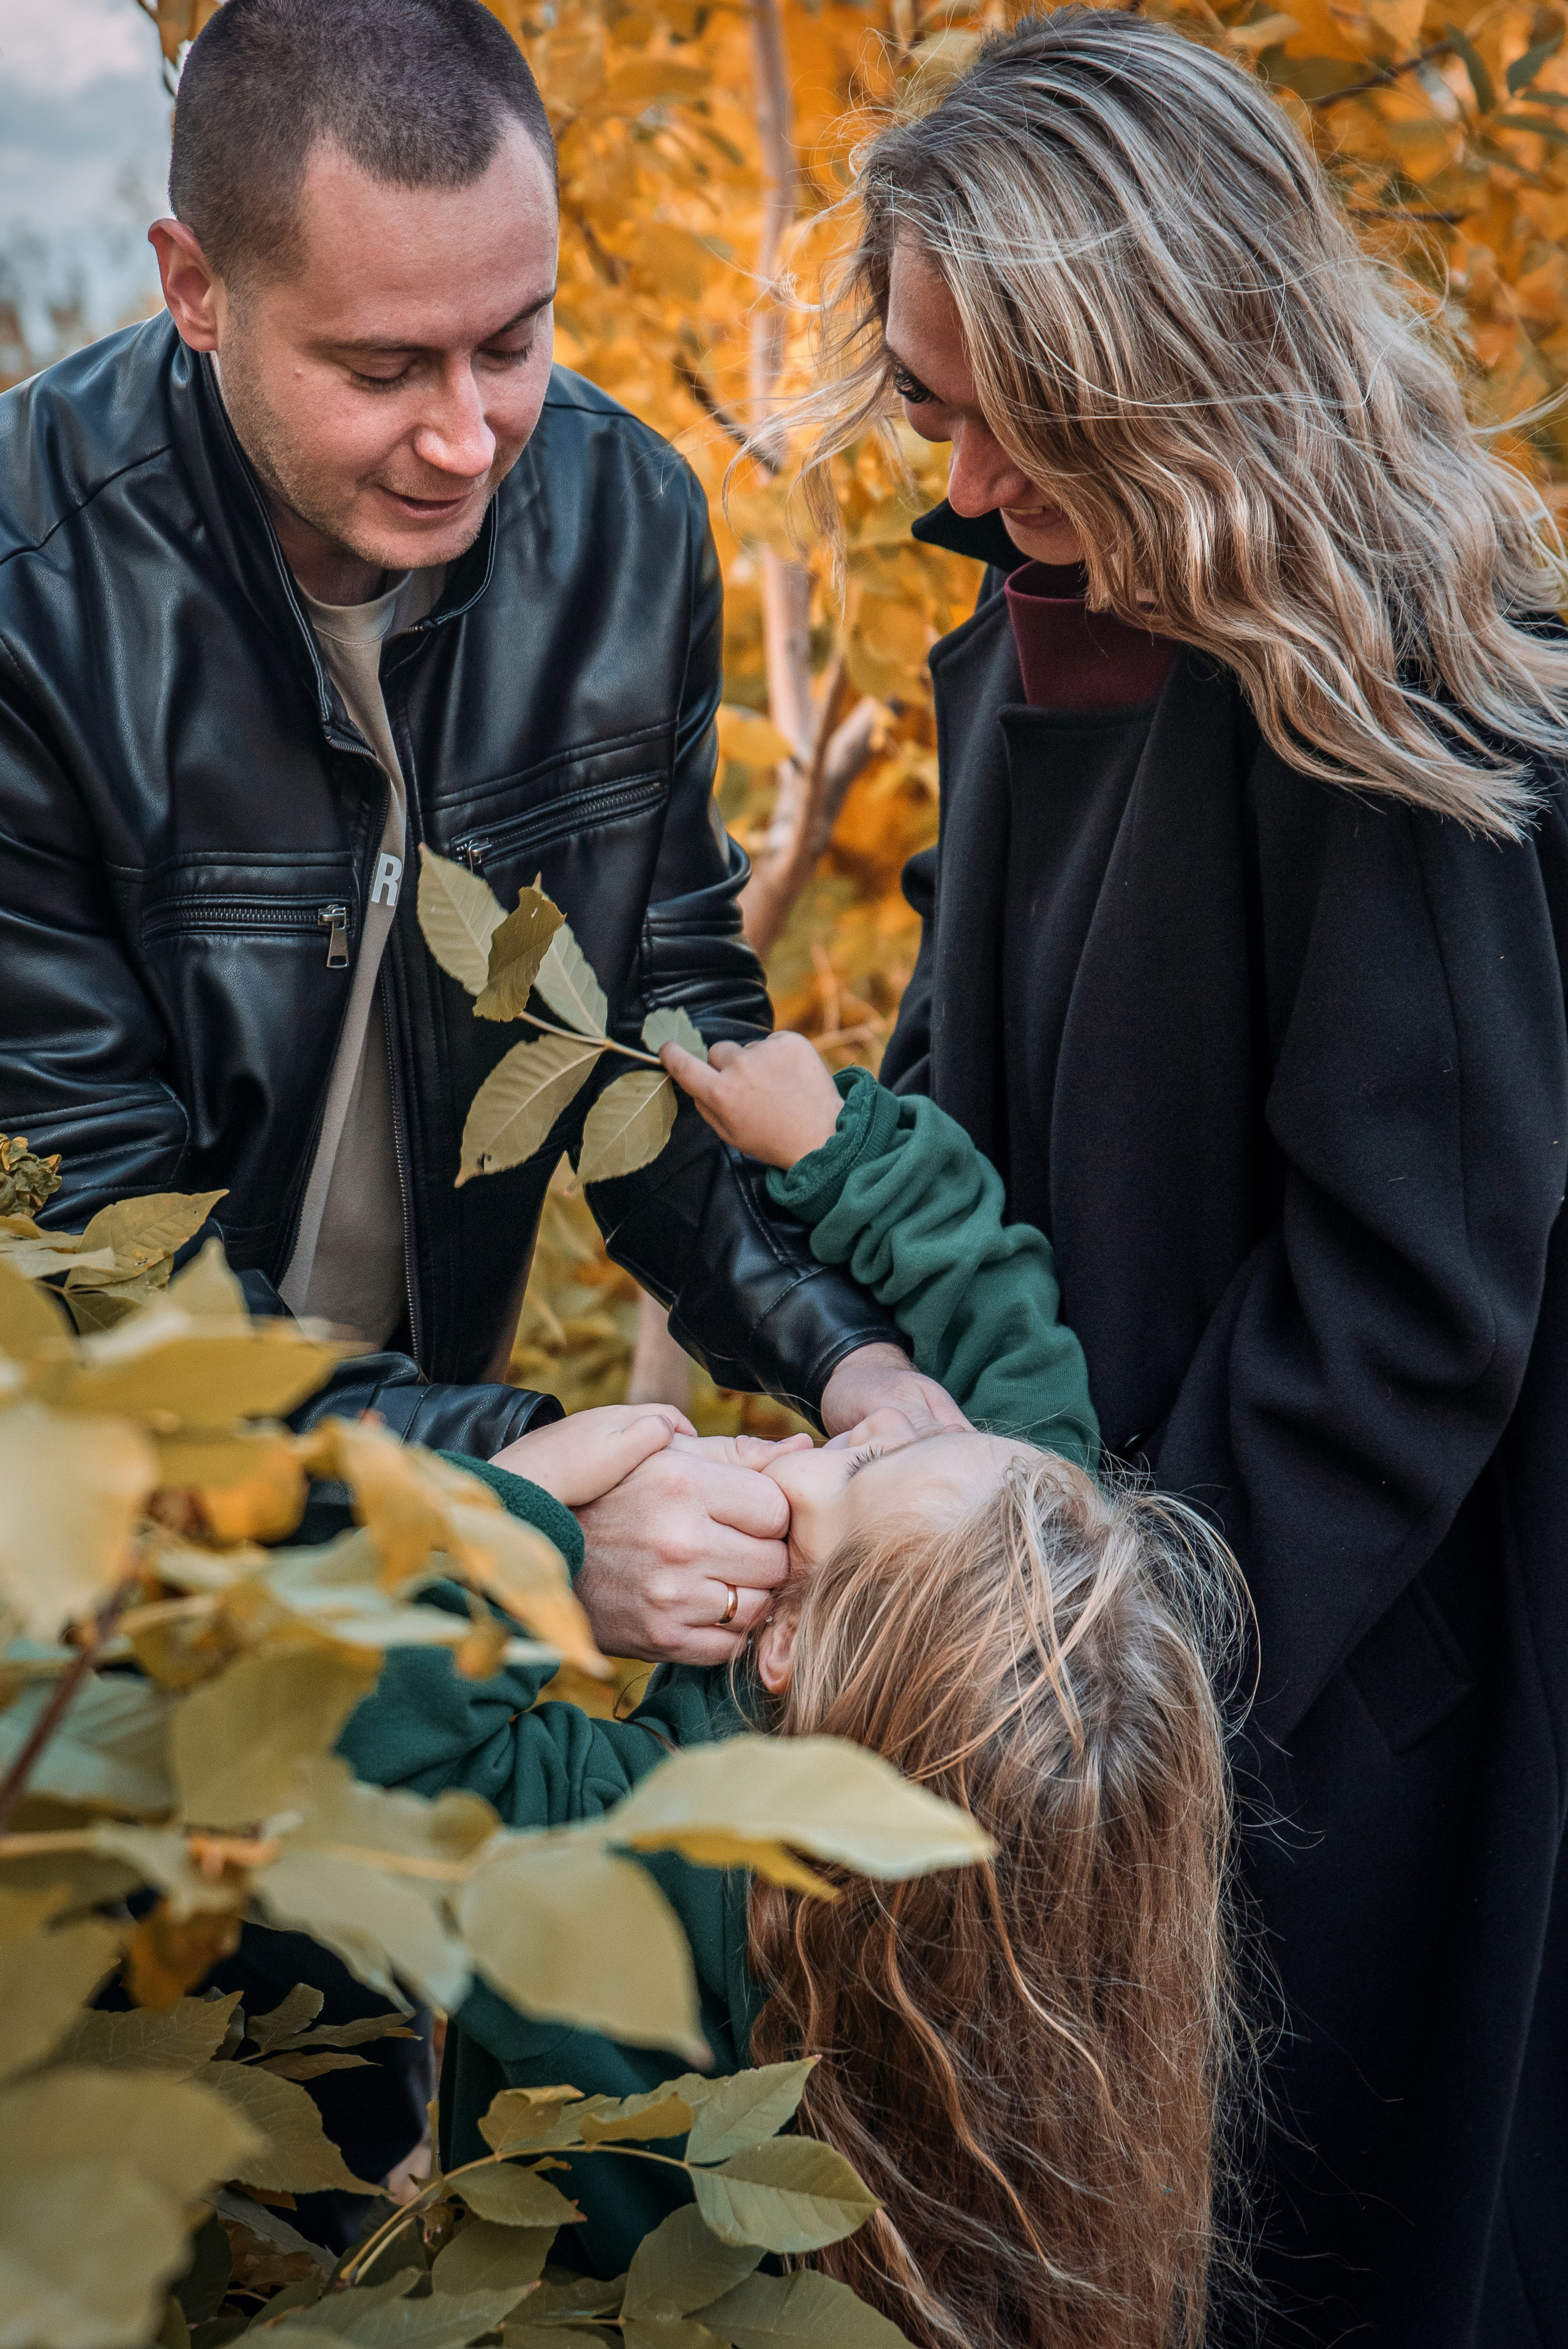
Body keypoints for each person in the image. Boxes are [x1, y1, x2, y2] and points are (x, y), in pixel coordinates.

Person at [776, 13, 1568, 2345]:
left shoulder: (1399, 700)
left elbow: (1411, 1321)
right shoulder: (1040, 638)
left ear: (1167, 361)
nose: (970, 464)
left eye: (1011, 403)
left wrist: (1096, 1688)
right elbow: (955, 1106)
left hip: (1304, 1704)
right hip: (1067, 1641)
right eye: (928, 399)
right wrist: (855, 1353)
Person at [0, 0, 951, 1670]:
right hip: (69, 1546)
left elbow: (663, 1040)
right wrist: (516, 1511)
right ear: (194, 286)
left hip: (407, 1520)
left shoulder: (621, 520)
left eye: (512, 344)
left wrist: (856, 1361)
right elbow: (92, 1246)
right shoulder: (30, 597)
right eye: (383, 369)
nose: (467, 440)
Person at [344, 1027, 1242, 2349]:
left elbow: (384, 1720)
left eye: (856, 1464)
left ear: (782, 1640)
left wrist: (535, 1506)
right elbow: (1011, 1362)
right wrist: (837, 1146)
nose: (875, 1420)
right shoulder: (1007, 1748)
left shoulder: (622, 1856)